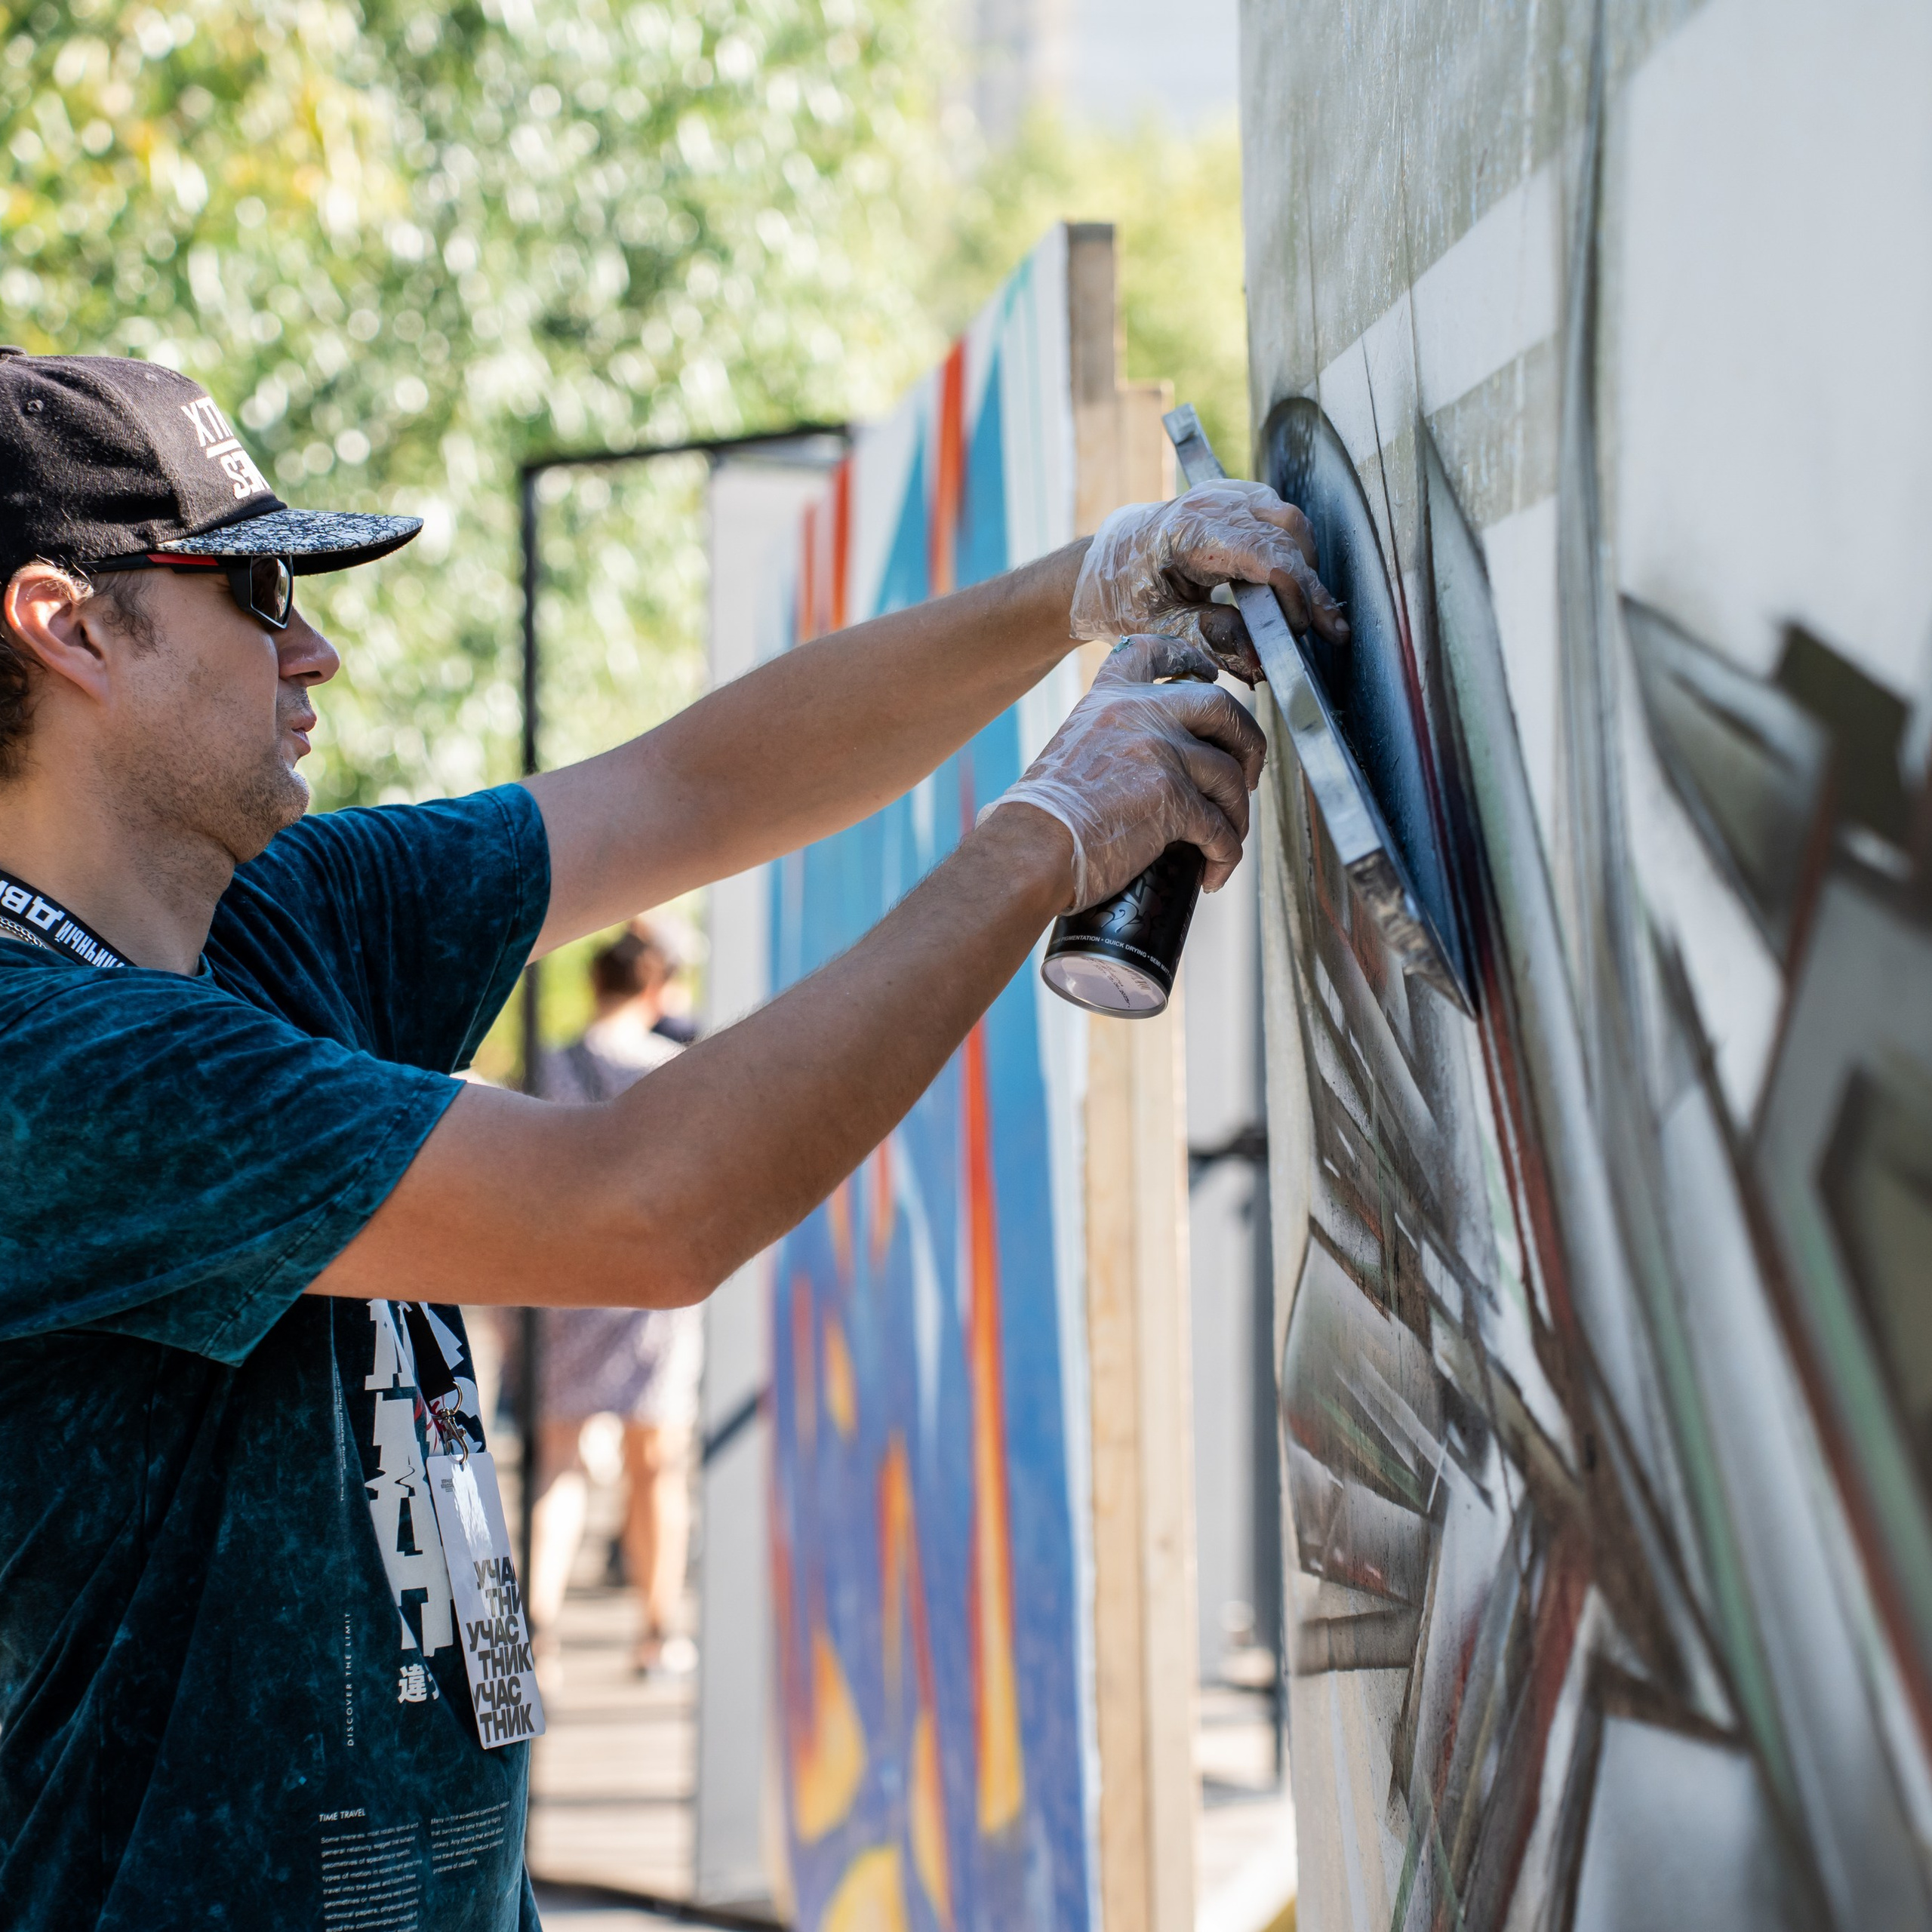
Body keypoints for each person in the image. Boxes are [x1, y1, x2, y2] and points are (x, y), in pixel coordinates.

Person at [0, 349, 1343, 1929]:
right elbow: (643, 1205)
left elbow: (685, 787)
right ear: (69, 623)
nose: (318, 649)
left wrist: (1095, 583)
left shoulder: (277, 917)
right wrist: (1044, 836)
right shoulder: (49, 1067)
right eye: (259, 588)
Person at [517, 921, 706, 1678]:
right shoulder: (674, 1070)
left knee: (557, 1461)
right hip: (651, 1284)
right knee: (655, 1463)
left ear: (594, 983)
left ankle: (538, 1634)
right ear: (657, 987)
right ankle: (659, 1634)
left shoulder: (545, 1064)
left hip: (565, 1278)